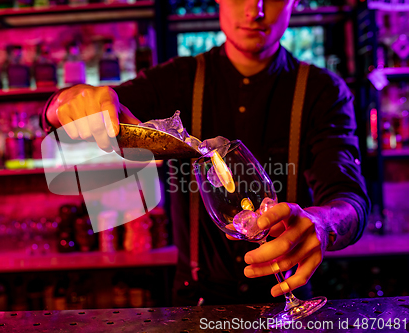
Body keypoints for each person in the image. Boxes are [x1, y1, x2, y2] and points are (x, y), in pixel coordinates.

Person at [40, 0, 370, 305]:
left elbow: (350, 200)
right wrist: (67, 103)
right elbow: (90, 109)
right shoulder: (176, 80)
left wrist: (324, 223)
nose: (254, 10)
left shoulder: (323, 92)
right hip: (196, 303)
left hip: (288, 294)